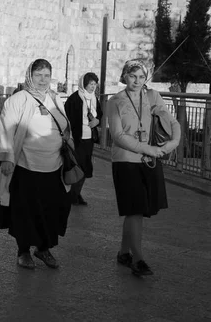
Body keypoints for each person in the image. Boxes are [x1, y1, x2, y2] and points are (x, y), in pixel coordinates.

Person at [0, 59, 72, 270]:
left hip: (54, 166)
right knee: (26, 211)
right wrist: (7, 158)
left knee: (51, 209)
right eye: (39, 75)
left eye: (47, 75)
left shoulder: (55, 99)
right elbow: (6, 128)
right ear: (30, 76)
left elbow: (64, 126)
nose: (43, 80)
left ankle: (43, 248)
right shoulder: (19, 99)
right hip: (26, 166)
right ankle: (23, 251)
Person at [107, 60, 180, 277]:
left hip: (148, 160)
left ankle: (123, 252)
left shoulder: (152, 96)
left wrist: (172, 143)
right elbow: (118, 136)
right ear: (124, 76)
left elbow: (171, 121)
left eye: (141, 77)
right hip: (125, 160)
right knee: (135, 210)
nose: (137, 81)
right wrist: (147, 149)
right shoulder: (115, 101)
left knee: (136, 210)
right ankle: (137, 260)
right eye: (132, 76)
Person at [63, 72, 103, 206]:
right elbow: (66, 117)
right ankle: (72, 194)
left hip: (89, 139)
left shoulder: (94, 98)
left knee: (85, 166)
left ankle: (76, 193)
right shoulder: (75, 98)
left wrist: (97, 121)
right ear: (84, 84)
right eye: (90, 84)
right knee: (77, 166)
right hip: (77, 138)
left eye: (94, 84)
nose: (93, 87)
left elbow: (100, 114)